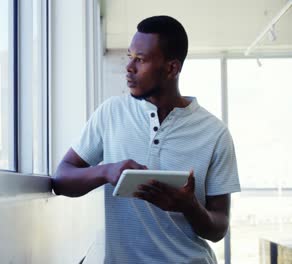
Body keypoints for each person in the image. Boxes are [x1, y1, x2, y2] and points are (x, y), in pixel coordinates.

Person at [52, 15, 241, 264]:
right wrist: (107, 171)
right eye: (130, 57)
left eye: (140, 60)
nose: (129, 67)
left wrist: (190, 206)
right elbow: (62, 179)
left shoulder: (215, 134)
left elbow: (219, 228)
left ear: (172, 68)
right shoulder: (111, 112)